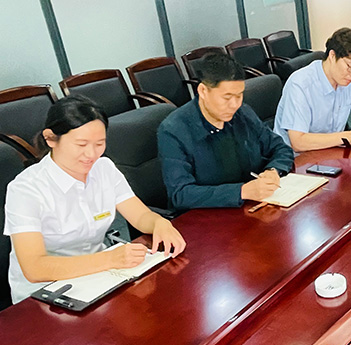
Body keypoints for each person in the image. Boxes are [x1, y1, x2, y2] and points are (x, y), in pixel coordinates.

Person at [4, 95, 186, 304]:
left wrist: (159, 223)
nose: (91, 154)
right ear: (51, 138)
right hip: (45, 293)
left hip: (98, 279)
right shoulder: (26, 189)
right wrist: (109, 259)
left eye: (99, 143)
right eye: (81, 144)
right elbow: (34, 268)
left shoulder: (104, 168)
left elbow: (140, 216)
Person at [158, 52, 294, 210]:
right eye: (227, 98)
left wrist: (273, 170)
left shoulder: (243, 114)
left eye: (239, 96)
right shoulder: (174, 130)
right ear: (203, 91)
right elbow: (180, 194)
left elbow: (281, 148)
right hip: (206, 217)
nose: (235, 105)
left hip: (252, 208)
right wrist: (241, 192)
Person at [273, 27, 351, 151]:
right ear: (332, 56)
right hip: (296, 157)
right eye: (349, 66)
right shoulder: (300, 85)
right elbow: (298, 142)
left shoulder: (346, 81)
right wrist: (347, 137)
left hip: (331, 152)